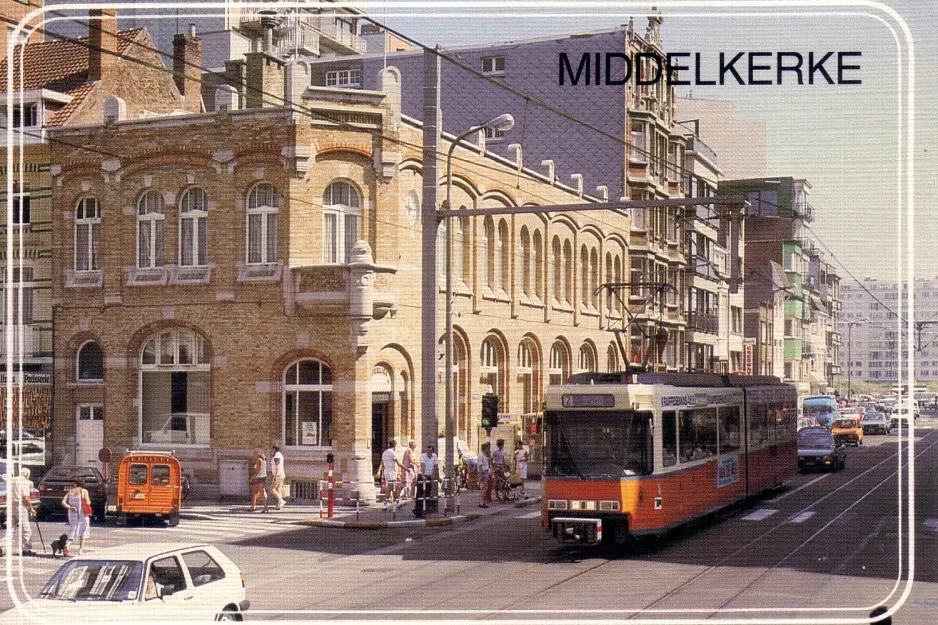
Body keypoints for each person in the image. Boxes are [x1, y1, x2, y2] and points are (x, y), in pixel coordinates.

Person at [60, 475, 90, 556]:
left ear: (76, 483)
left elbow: (63, 502)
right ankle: (81, 550)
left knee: (73, 530)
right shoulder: (84, 491)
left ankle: (67, 545)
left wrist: (70, 507)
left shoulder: (70, 492)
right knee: (83, 531)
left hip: (73, 514)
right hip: (82, 514)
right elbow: (88, 502)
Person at [9, 468, 36, 556]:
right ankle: (26, 549)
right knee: (25, 528)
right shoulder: (24, 482)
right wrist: (31, 508)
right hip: (20, 507)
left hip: (11, 505)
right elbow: (26, 498)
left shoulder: (13, 480)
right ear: (27, 475)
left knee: (11, 529)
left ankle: (1, 546)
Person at [377, 440, 404, 510]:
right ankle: (385, 505)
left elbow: (382, 464)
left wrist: (382, 472)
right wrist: (406, 469)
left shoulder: (384, 452)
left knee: (394, 488)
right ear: (394, 445)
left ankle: (398, 503)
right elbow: (399, 463)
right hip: (392, 473)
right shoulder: (393, 453)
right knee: (390, 489)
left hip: (387, 472)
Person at [417, 445, 439, 515]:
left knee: (427, 493)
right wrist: (423, 475)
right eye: (427, 451)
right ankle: (418, 510)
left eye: (430, 451)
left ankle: (425, 508)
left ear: (432, 451)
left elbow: (436, 467)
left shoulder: (434, 456)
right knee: (420, 493)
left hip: (429, 476)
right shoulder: (423, 456)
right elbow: (422, 465)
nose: (428, 452)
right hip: (422, 476)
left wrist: (437, 476)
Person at [269, 444, 286, 510]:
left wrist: (275, 476)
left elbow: (277, 466)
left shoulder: (277, 456)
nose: (271, 450)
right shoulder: (280, 455)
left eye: (272, 449)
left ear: (274, 449)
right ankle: (280, 505)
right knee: (278, 489)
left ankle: (281, 500)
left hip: (278, 475)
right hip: (281, 474)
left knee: (272, 489)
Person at [477, 442, 492, 508]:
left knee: (485, 487)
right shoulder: (481, 456)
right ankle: (481, 502)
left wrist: (489, 455)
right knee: (484, 487)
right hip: (483, 472)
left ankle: (482, 501)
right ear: (484, 449)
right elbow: (480, 466)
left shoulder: (484, 455)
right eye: (487, 449)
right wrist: (480, 475)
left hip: (486, 471)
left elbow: (490, 461)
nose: (488, 450)